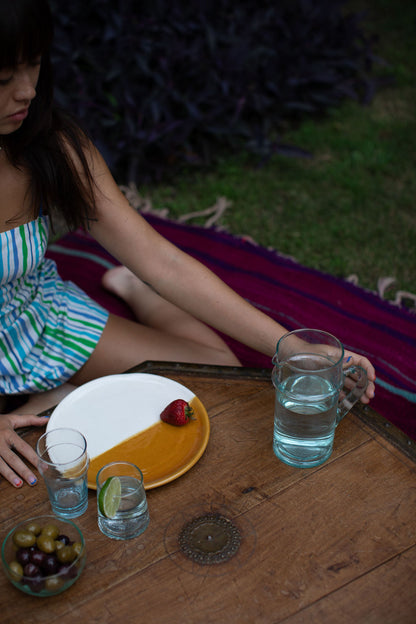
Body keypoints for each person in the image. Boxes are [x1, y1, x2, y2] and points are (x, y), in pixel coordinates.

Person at [0, 0, 375, 489]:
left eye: (35, 65)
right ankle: (58, 394)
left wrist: (297, 350)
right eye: (4, 77)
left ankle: (133, 293)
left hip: (34, 321)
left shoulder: (51, 146)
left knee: (220, 374)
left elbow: (164, 260)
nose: (27, 91)